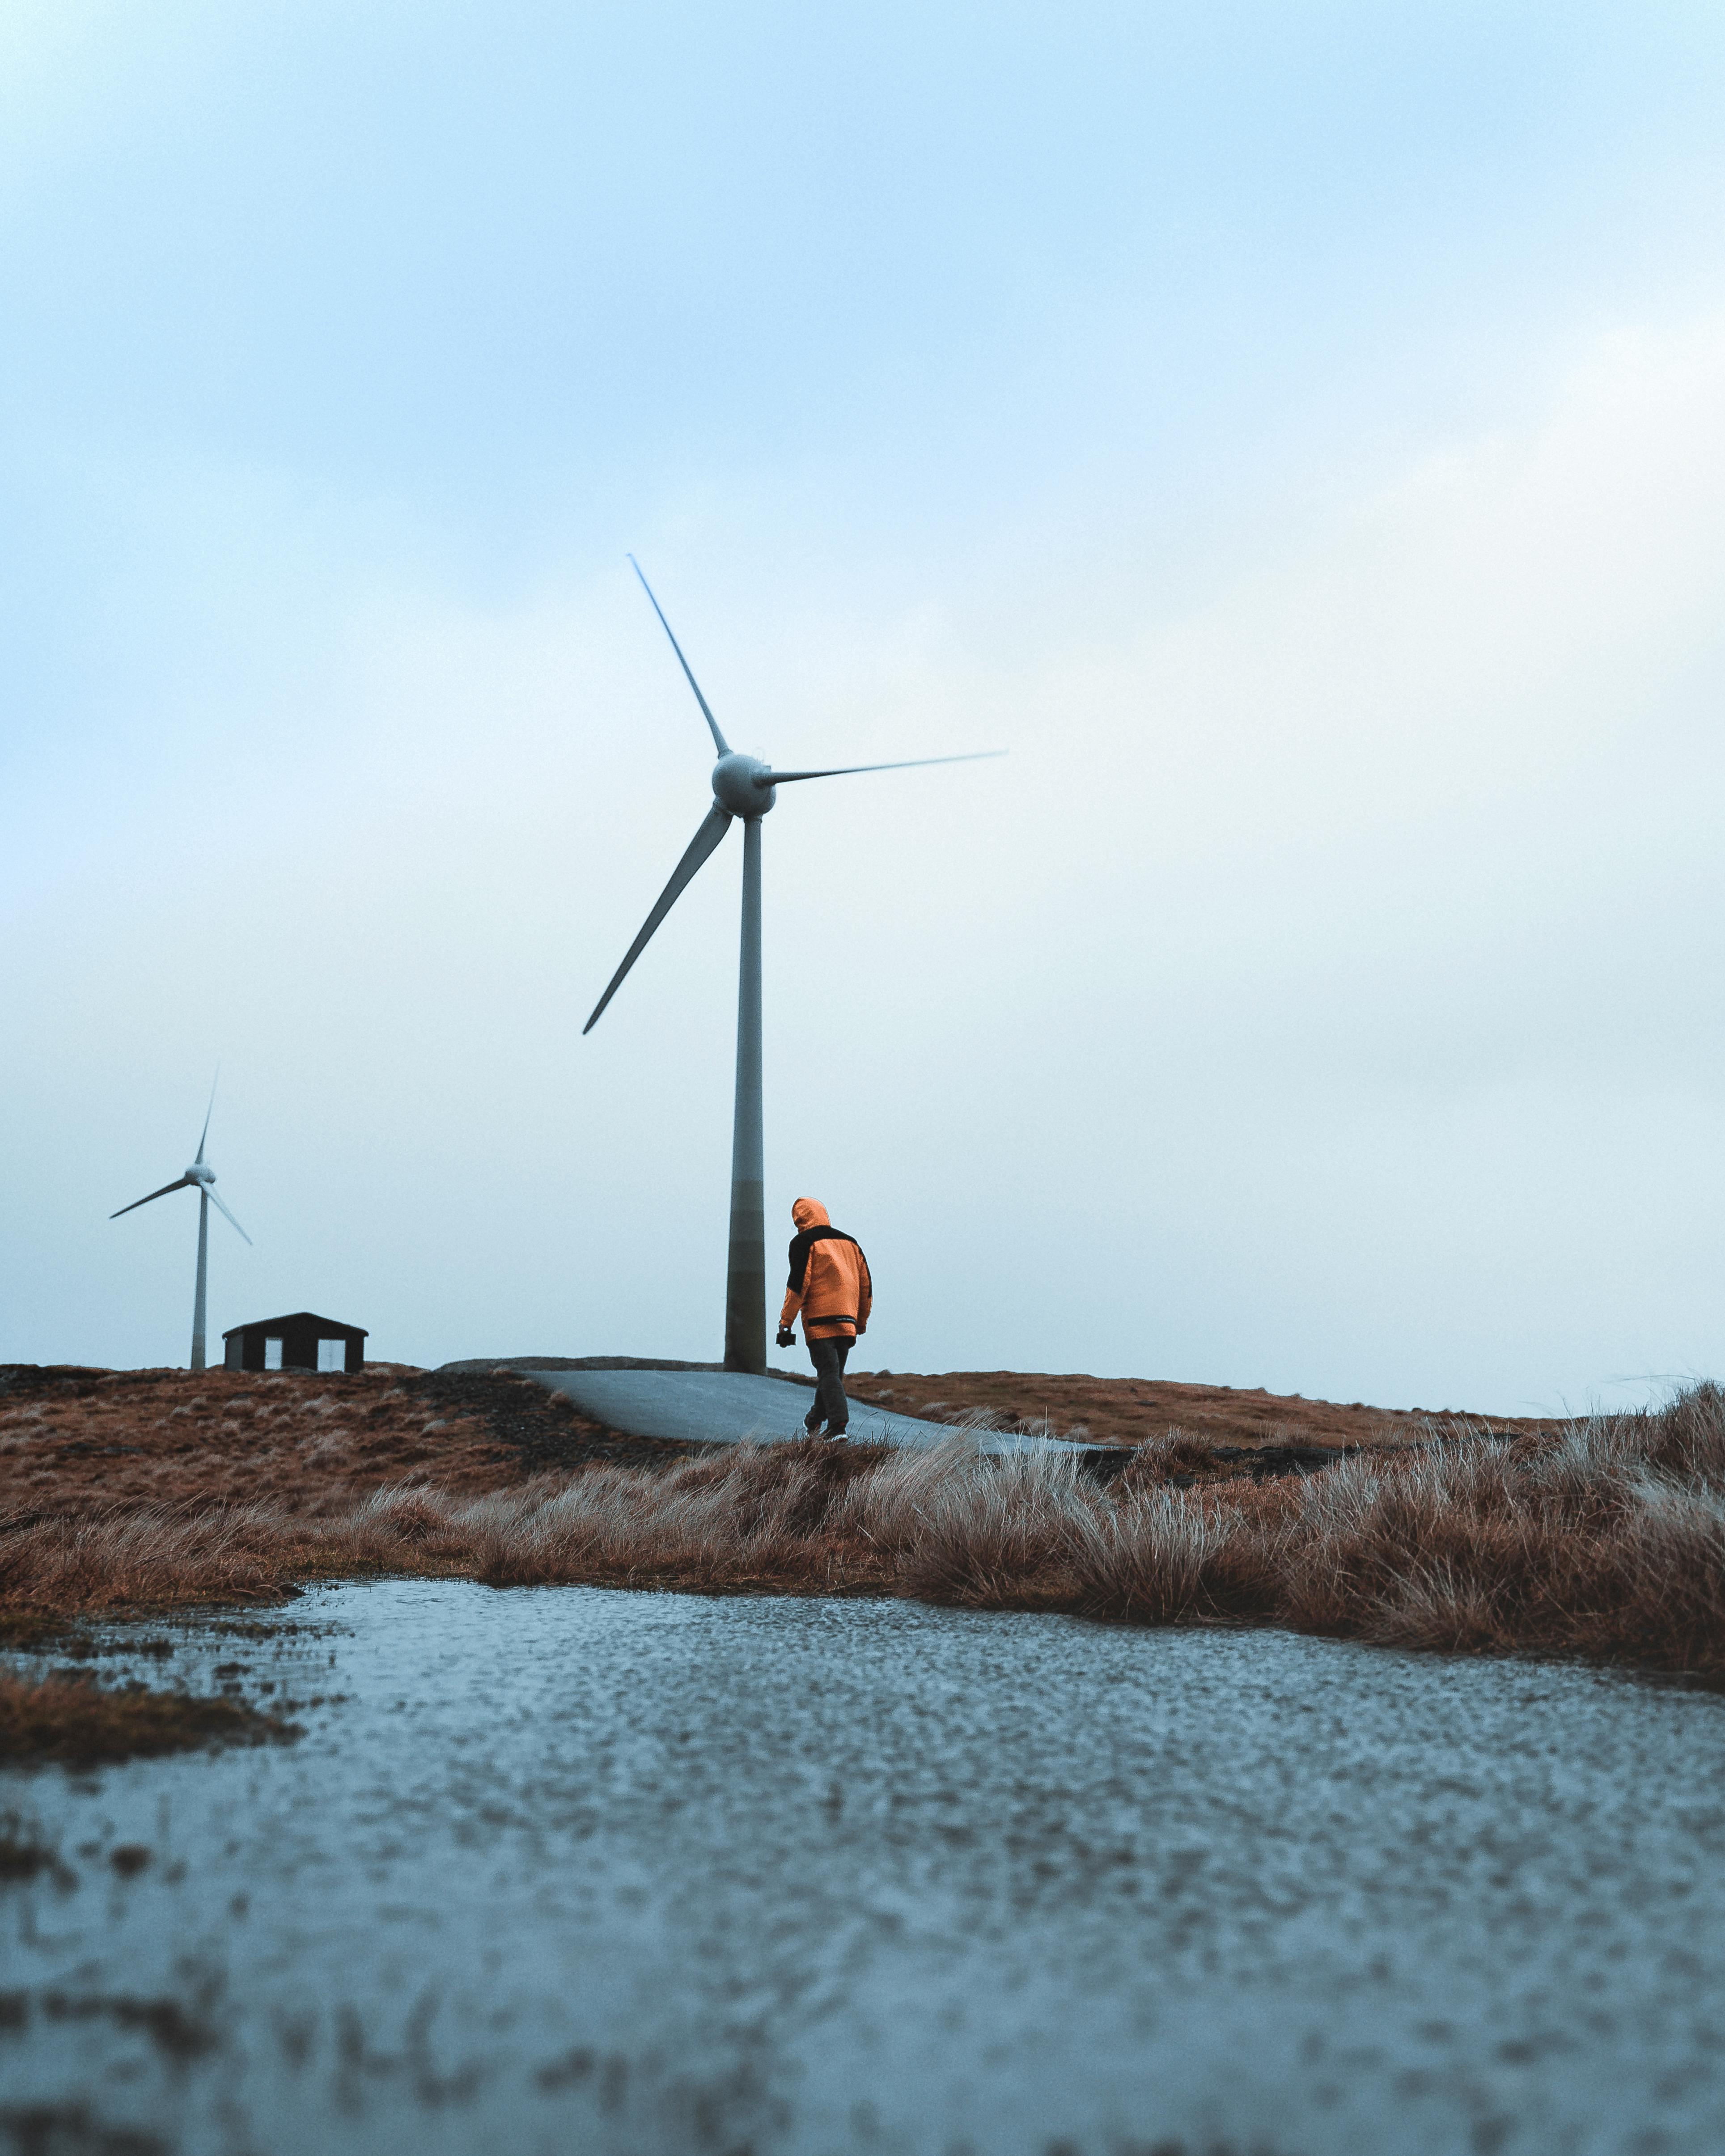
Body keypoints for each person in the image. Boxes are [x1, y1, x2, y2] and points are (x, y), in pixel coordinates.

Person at [776, 1197, 873, 1439]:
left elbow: (798, 1285)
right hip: (848, 1321)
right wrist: (861, 1322)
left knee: (829, 1373)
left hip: (820, 1321)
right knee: (833, 1374)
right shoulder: (851, 1244)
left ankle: (838, 1427)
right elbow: (866, 1286)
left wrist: (786, 1322)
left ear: (799, 1219)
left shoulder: (803, 1242)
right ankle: (814, 1421)